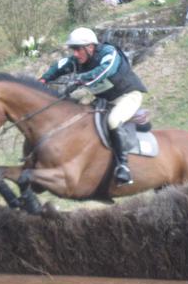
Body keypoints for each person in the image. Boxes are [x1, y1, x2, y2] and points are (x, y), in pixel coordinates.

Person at [39, 27, 148, 186]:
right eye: (73, 50)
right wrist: (42, 80)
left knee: (113, 121)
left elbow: (104, 71)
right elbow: (59, 66)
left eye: (77, 50)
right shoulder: (78, 60)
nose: (75, 54)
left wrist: (79, 79)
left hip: (128, 96)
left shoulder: (109, 53)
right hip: (105, 100)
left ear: (90, 47)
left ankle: (123, 167)